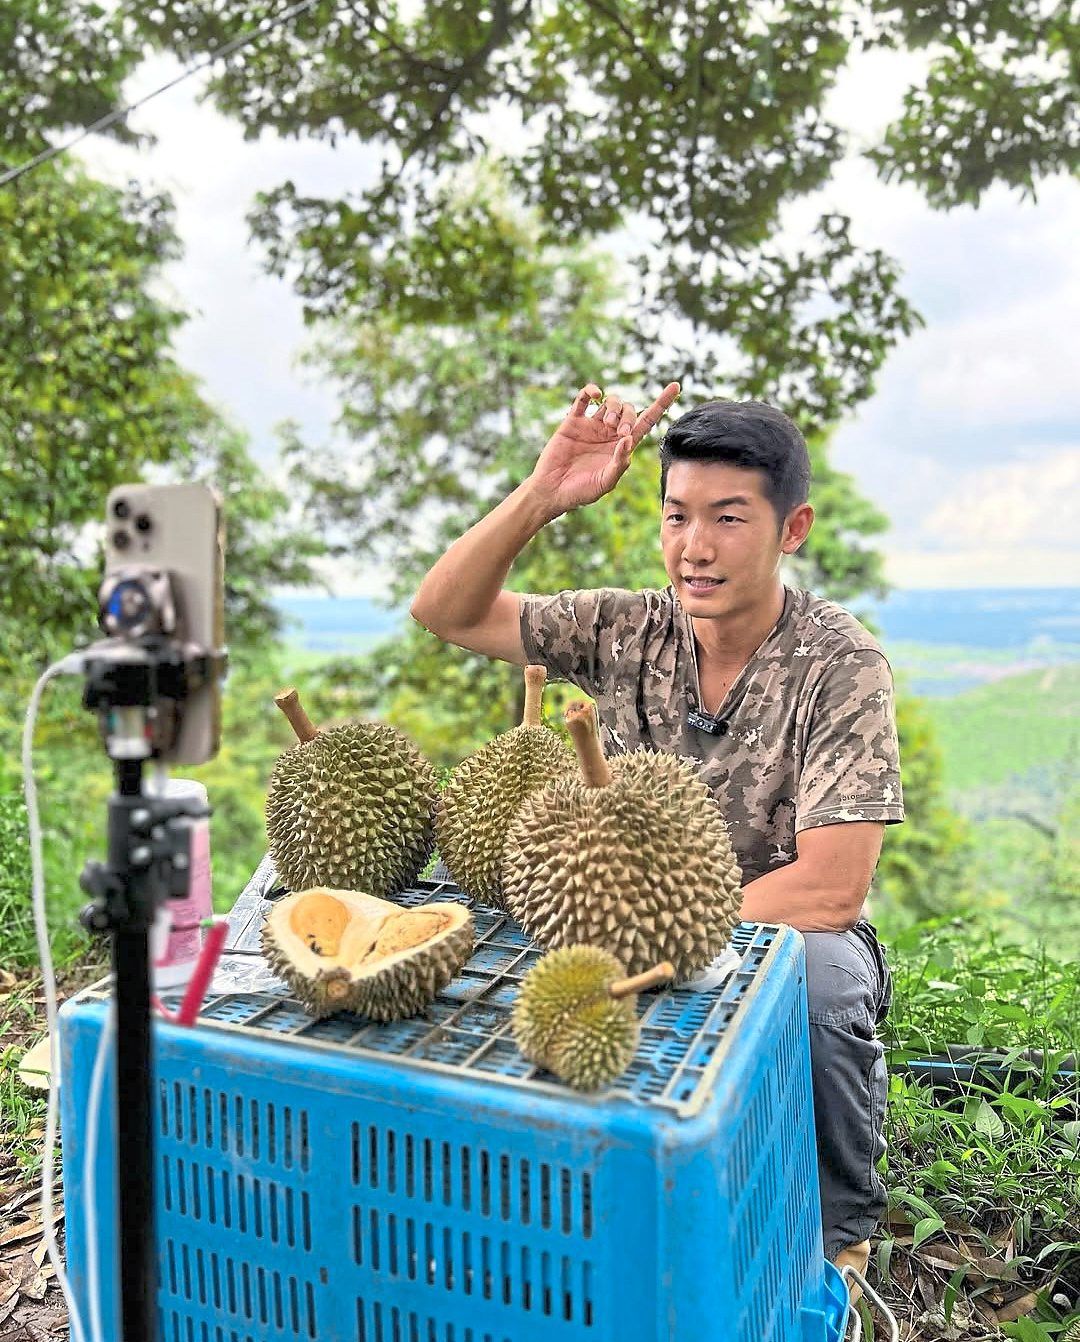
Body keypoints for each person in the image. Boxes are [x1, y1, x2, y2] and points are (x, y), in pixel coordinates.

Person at [410, 379, 902, 1281]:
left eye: (728, 519)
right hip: (616, 925)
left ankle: (839, 1245)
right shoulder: (628, 627)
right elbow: (445, 610)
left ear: (792, 529)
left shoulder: (841, 663)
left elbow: (832, 888)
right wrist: (542, 494)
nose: (694, 548)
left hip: (777, 928)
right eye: (677, 517)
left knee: (827, 990)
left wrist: (658, 949)